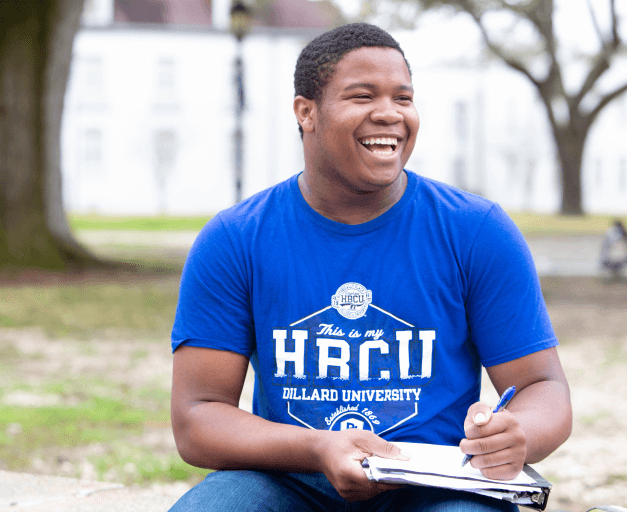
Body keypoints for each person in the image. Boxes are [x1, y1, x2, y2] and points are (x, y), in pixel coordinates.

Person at [168, 23, 572, 512]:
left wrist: (516, 434)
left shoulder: (476, 231)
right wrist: (317, 448)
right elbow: (197, 417)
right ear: (306, 112)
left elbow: (542, 387)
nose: (389, 114)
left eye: (403, 98)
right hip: (290, 479)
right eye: (362, 96)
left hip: (436, 487)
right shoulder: (236, 239)